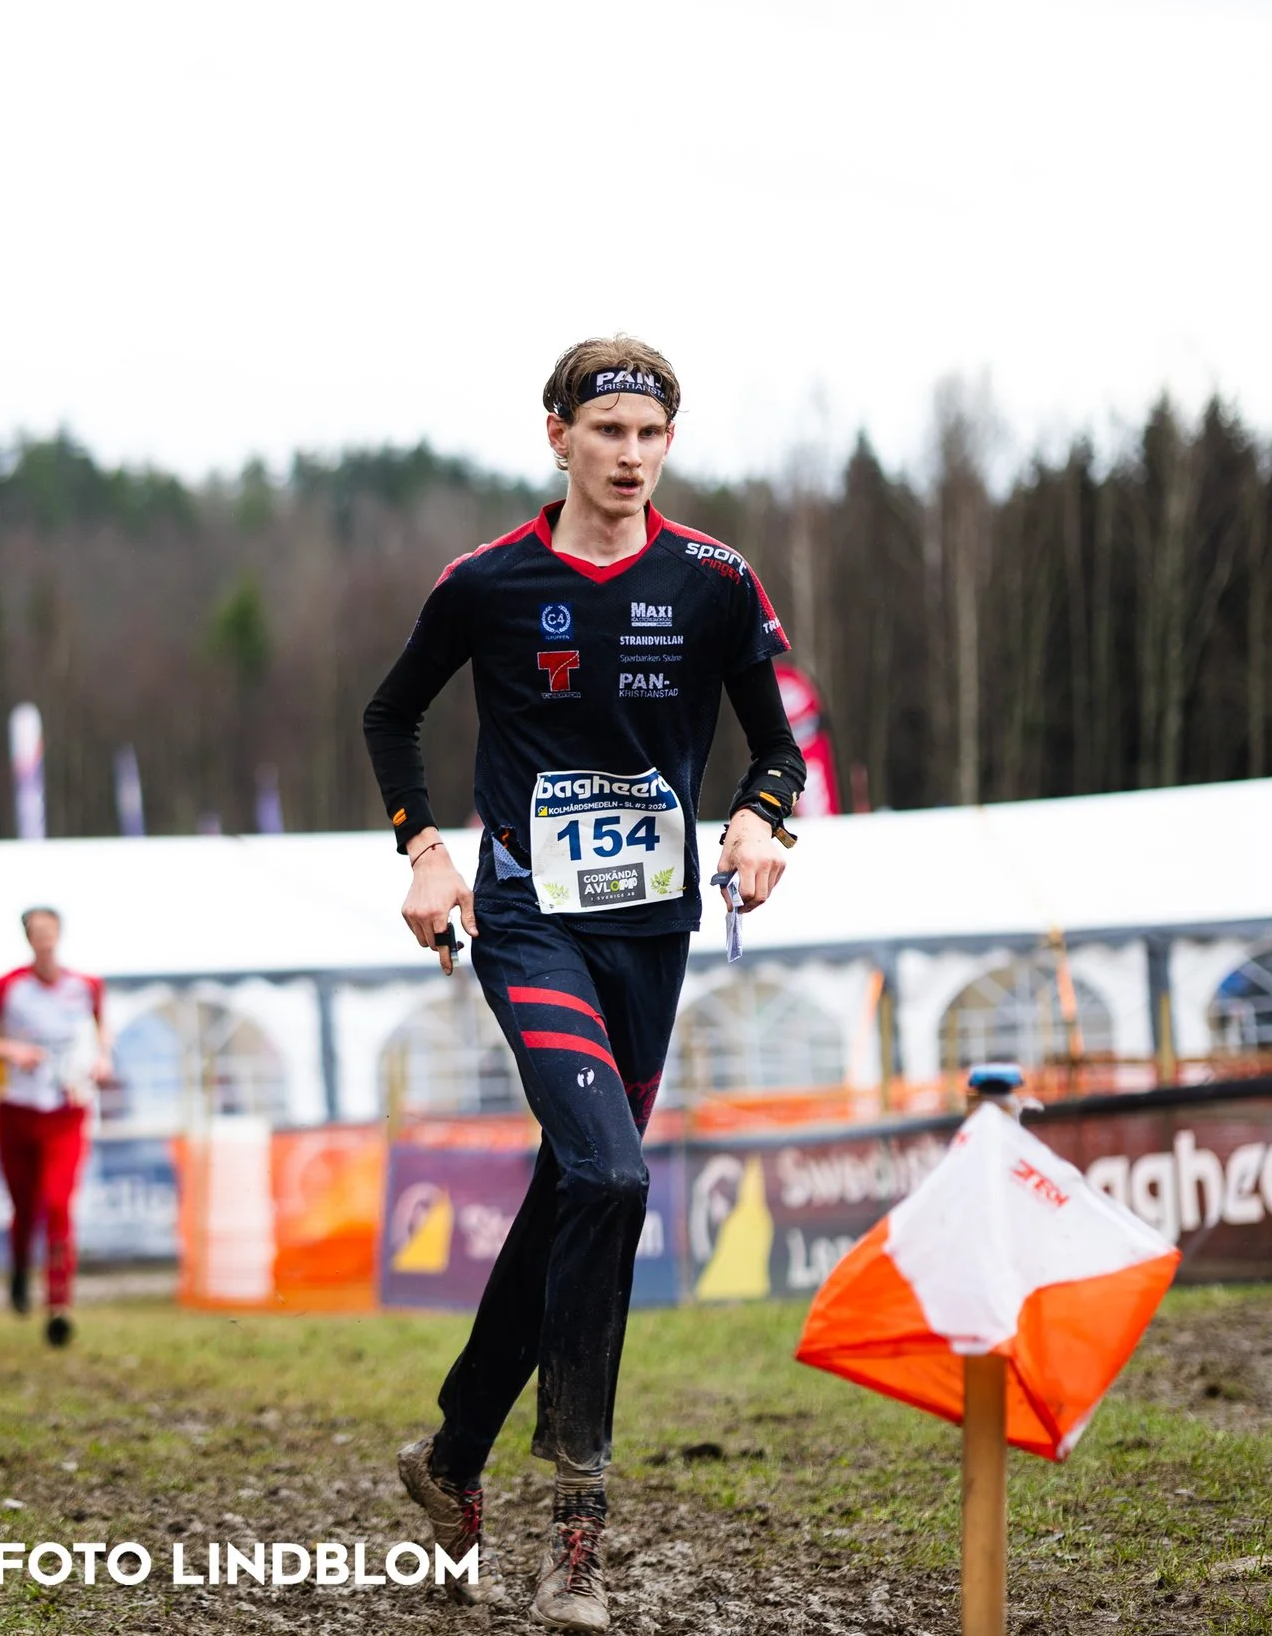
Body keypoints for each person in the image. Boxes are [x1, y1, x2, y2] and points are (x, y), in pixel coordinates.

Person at [361, 336, 803, 1629]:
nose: (628, 454)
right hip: (529, 921)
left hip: (652, 933)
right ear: (555, 435)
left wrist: (765, 816)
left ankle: (449, 1457)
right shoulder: (486, 582)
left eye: (649, 434)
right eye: (605, 430)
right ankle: (580, 1534)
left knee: (571, 1195)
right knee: (609, 1175)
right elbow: (391, 714)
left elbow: (775, 743)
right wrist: (425, 850)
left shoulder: (713, 579)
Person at [0, 907, 111, 1348]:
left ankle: (60, 1304)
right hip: (17, 1111)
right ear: (27, 938)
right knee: (25, 1208)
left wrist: (102, 1059)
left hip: (67, 1110)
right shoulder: (5, 988)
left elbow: (104, 1030)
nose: (44, 939)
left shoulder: (86, 986)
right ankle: (19, 1270)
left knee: (59, 1204)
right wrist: (10, 1051)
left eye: (50, 931)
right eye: (35, 932)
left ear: (60, 934)